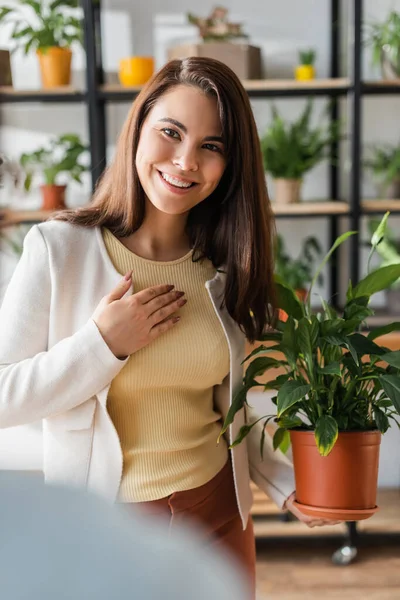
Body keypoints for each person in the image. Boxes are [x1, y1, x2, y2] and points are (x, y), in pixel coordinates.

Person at [0, 57, 337, 598]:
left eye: (212, 145)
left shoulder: (224, 265)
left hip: (219, 515)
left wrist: (287, 482)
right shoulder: (58, 249)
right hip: (111, 530)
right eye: (171, 132)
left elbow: (236, 401)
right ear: (138, 128)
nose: (185, 161)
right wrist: (101, 346)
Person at [0, 470, 249, 599]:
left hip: (220, 497)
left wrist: (281, 481)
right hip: (116, 506)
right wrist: (101, 367)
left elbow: (235, 407)